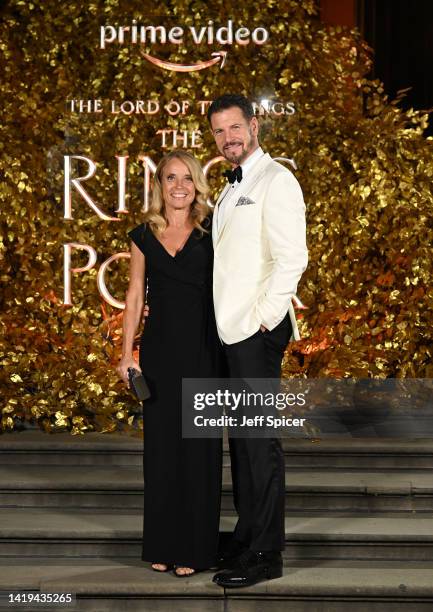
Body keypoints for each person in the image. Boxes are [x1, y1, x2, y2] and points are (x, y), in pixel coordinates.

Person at [208, 94, 308, 588]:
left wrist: (264, 320)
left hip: (255, 331)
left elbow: (293, 258)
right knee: (243, 443)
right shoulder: (230, 188)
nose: (228, 138)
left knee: (259, 443)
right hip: (232, 332)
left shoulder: (277, 179)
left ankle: (267, 551)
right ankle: (248, 535)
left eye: (234, 128)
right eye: (219, 132)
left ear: (254, 125)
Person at [117, 150, 223, 577]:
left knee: (200, 452)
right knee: (161, 453)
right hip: (159, 354)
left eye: (186, 178)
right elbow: (135, 294)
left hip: (205, 351)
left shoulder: (213, 231)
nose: (179, 186)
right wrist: (128, 353)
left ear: (197, 184)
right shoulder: (143, 235)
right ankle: (162, 543)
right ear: (159, 185)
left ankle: (194, 549)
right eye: (170, 178)